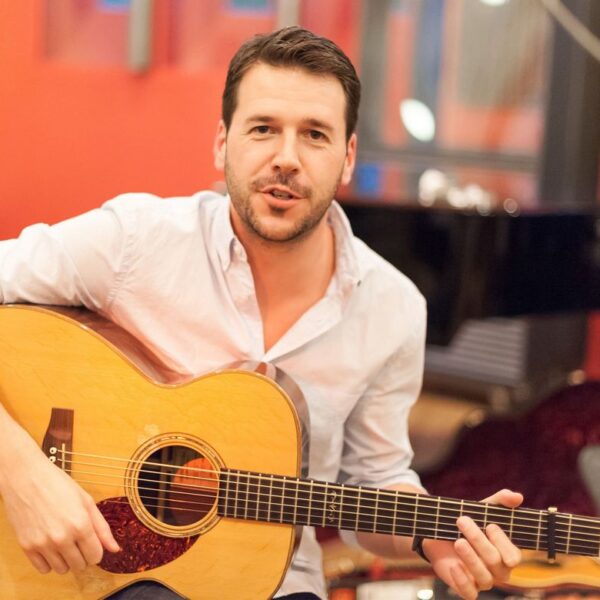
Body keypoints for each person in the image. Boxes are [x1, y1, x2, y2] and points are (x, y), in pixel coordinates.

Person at [0, 26, 522, 600]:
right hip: (96, 576)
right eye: (263, 129)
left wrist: (429, 537)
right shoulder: (133, 243)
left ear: (348, 157)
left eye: (315, 135)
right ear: (222, 143)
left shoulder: (392, 308)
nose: (286, 159)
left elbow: (374, 485)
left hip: (277, 584)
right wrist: (21, 472)